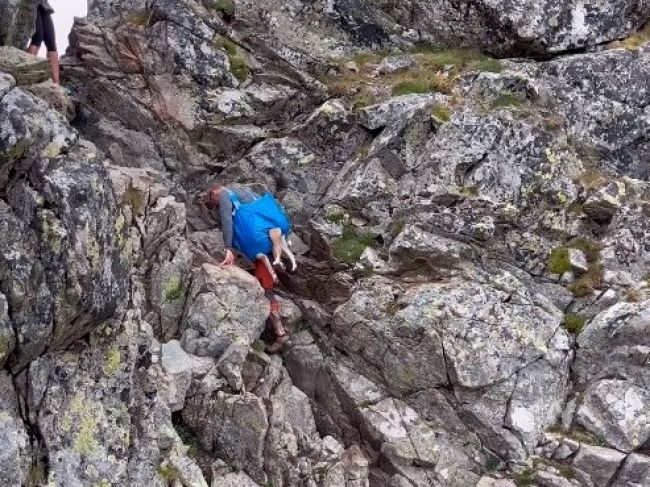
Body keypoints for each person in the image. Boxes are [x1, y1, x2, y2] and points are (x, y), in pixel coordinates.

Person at [207, 185, 292, 353]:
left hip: (256, 242)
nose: (216, 206)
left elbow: (227, 221)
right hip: (269, 237)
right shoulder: (246, 191)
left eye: (214, 203)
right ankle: (280, 332)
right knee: (266, 282)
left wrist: (228, 247)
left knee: (265, 287)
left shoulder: (224, 195)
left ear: (215, 193)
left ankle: (280, 333)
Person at [27, 0, 60, 84]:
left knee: (51, 42)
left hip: (44, 6)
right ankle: (26, 71)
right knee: (38, 37)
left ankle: (56, 82)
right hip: (30, 4)